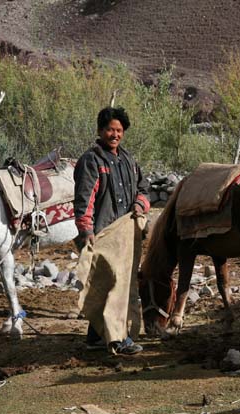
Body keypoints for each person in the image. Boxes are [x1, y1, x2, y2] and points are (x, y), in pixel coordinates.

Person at [73, 106, 151, 355]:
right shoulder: (91, 160)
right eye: (110, 129)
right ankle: (118, 340)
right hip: (102, 234)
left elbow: (144, 188)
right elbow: (84, 199)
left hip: (125, 235)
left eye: (119, 130)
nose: (114, 135)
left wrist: (140, 204)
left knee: (117, 285)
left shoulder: (128, 160)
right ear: (100, 130)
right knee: (108, 284)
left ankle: (98, 337)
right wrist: (86, 231)